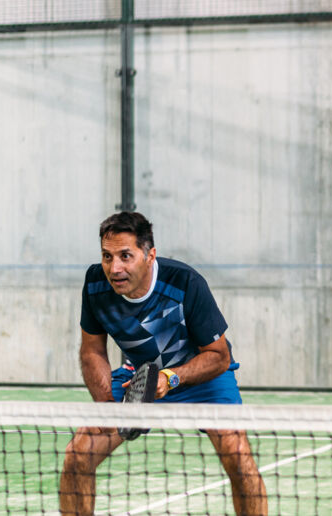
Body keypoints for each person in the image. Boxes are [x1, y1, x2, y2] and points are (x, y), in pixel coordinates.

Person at [60, 212, 267, 515]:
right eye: (107, 256)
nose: (114, 267)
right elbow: (92, 351)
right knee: (78, 455)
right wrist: (105, 405)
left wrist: (170, 378)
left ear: (149, 255)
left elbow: (219, 356)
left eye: (125, 256)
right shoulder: (95, 284)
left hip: (203, 377)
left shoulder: (185, 282)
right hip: (139, 380)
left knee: (239, 459)